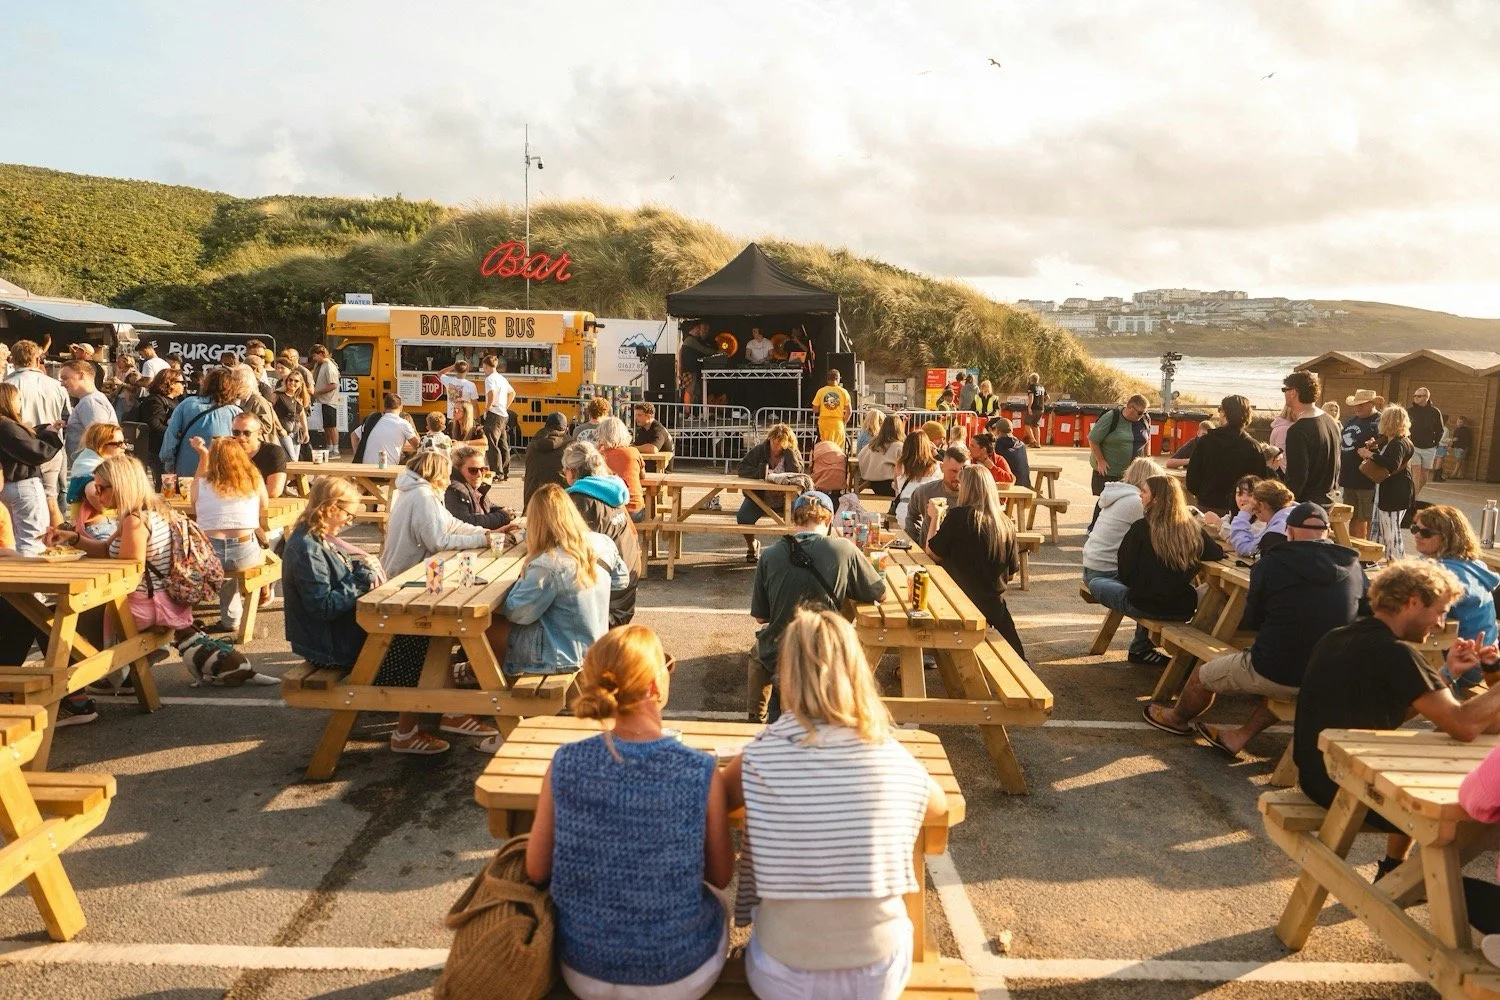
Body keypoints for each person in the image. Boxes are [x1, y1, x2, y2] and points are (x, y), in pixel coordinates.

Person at [726, 609, 947, 999]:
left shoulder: (762, 756)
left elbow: (719, 794)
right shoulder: (888, 754)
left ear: (787, 674)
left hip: (783, 975)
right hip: (875, 976)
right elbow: (938, 807)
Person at [525, 625, 732, 1000]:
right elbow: (720, 875)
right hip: (679, 974)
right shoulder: (699, 769)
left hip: (584, 969)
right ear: (655, 685)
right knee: (721, 902)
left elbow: (537, 870)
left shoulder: (565, 762)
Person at [1294, 560, 1500, 881]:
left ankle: (1392, 867)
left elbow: (1388, 716)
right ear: (1413, 602)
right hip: (1345, 787)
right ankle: (1408, 886)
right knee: (1478, 812)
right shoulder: (1396, 653)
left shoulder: (1339, 636)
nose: (1441, 623)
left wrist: (1446, 675)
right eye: (1440, 611)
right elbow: (1464, 725)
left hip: (1316, 773)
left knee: (1434, 740)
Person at [1145, 502, 1362, 751]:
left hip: (1277, 669)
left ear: (1288, 531)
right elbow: (1364, 610)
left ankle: (1177, 718)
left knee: (1203, 674)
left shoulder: (1273, 563)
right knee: (1288, 674)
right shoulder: (1353, 566)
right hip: (1328, 673)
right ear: (1326, 533)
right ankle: (1239, 737)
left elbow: (1254, 618)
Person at [55, 455, 251, 694]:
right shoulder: (153, 511)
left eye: (100, 487)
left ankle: (83, 688)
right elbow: (108, 550)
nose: (95, 493)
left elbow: (128, 574)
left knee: (67, 618)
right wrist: (74, 538)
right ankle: (115, 677)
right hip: (166, 599)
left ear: (120, 487)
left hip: (144, 607)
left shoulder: (134, 522)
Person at [282, 477, 445, 755]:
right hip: (328, 645)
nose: (349, 520)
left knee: (422, 638)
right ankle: (406, 733)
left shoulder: (313, 537)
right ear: (331, 508)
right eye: (348, 514)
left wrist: (358, 569)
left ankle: (438, 709)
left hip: (330, 635)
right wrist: (360, 577)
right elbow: (323, 607)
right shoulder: (307, 548)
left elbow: (331, 586)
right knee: (417, 643)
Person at [382, 451, 504, 751]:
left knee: (442, 636)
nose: (449, 478)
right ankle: (452, 712)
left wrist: (487, 532)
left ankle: (453, 711)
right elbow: (439, 540)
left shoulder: (420, 493)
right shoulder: (422, 495)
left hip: (419, 574)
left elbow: (451, 525)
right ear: (438, 472)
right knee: (440, 633)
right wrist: (484, 539)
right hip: (410, 579)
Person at [747, 492, 885, 722]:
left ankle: (755, 718)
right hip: (824, 649)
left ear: (794, 520)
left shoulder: (769, 555)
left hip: (779, 649)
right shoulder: (844, 549)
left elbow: (761, 617)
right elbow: (880, 593)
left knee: (758, 653)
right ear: (830, 520)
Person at [496, 484, 630, 693]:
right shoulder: (602, 542)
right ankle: (479, 674)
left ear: (536, 523)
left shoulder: (546, 564)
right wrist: (585, 587)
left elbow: (517, 612)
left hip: (559, 656)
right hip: (595, 642)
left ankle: (489, 686)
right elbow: (621, 580)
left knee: (490, 625)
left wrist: (521, 581)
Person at [1088, 475, 1225, 667]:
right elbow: (1216, 552)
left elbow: (1126, 572)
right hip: (1181, 607)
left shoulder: (1141, 528)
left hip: (1144, 604)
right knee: (1152, 588)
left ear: (1156, 499)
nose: (1140, 496)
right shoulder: (1191, 529)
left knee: (1097, 583)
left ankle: (1141, 649)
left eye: (1144, 492)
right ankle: (1140, 648)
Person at [927, 466, 1025, 659]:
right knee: (1017, 656)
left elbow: (932, 553)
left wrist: (935, 518)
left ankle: (927, 653)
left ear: (967, 489)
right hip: (993, 606)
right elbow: (1011, 573)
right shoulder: (1005, 524)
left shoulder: (958, 517)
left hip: (956, 602)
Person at [1411, 506, 1500, 690]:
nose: (1417, 535)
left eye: (1426, 532)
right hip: (1482, 657)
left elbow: (1424, 617)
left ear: (1447, 538)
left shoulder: (1448, 574)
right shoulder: (1468, 564)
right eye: (1415, 529)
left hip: (1469, 665)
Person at [188, 437, 268, 635]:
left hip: (208, 556)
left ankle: (225, 616)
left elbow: (193, 502)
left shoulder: (202, 483)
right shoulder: (253, 480)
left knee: (221, 564)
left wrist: (202, 455)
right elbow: (264, 506)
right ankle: (262, 593)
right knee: (267, 547)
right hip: (244, 553)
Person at [563, 441, 641, 627]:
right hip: (627, 592)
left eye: (564, 469)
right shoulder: (610, 490)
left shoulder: (581, 500)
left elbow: (561, 545)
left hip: (608, 603)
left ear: (572, 471)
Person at [3, 340, 69, 513]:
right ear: (37, 359)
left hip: (20, 450)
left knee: (20, 506)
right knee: (51, 499)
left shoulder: (7, 387)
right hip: (52, 447)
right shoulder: (56, 385)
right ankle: (57, 537)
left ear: (13, 359)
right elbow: (66, 415)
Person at [0, 383, 64, 555]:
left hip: (9, 486)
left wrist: (45, 430)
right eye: (18, 399)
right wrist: (50, 435)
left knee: (13, 541)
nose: (21, 402)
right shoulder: (5, 425)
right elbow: (35, 452)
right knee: (33, 541)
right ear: (9, 401)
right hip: (22, 485)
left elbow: (24, 441)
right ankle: (30, 579)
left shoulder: (7, 425)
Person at [1081, 457, 1164, 587]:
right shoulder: (1136, 502)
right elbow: (1155, 536)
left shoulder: (1118, 494)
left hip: (1091, 567)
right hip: (1107, 572)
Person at [1185, 395, 1267, 515]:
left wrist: (1203, 494)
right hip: (1242, 511)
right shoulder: (1252, 446)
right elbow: (1260, 483)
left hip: (1207, 507)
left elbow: (1192, 480)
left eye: (1220, 409)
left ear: (1225, 413)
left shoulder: (1206, 441)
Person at [736, 423, 803, 562]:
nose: (776, 446)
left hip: (787, 498)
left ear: (787, 443)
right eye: (774, 441)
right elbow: (742, 469)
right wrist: (761, 473)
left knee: (799, 518)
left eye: (780, 443)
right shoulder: (760, 450)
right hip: (760, 497)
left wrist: (789, 453)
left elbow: (798, 474)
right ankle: (752, 546)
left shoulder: (792, 453)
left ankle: (791, 551)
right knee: (743, 517)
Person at [160, 367, 242, 479]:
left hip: (187, 468)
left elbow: (171, 434)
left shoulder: (187, 404)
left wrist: (169, 462)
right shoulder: (235, 412)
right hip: (222, 470)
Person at [1360, 403, 1414, 560]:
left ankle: (1397, 564)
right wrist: (1374, 451)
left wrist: (1369, 455)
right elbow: (1388, 461)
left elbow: (1391, 464)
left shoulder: (1398, 442)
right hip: (1392, 490)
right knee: (1385, 531)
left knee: (1391, 534)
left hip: (1395, 492)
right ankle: (1382, 561)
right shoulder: (1395, 441)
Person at [1281, 370, 1340, 507]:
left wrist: (1284, 505)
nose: (1284, 394)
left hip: (1305, 506)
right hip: (1327, 500)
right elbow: (1337, 464)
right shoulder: (1331, 422)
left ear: (1293, 392)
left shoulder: (1298, 430)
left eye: (1285, 389)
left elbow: (1297, 476)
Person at [1209, 476, 1295, 556]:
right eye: (1239, 494)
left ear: (1261, 505)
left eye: (1253, 504)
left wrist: (1244, 514)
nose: (1250, 507)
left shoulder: (1277, 529)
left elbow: (1244, 549)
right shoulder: (1290, 515)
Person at [1338, 388, 1383, 539]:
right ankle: (1356, 551)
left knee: (1368, 518)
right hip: (1349, 477)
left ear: (1372, 404)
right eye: (1356, 405)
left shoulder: (1379, 422)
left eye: (1361, 404)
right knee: (1353, 517)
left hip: (1367, 480)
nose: (1357, 408)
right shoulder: (1351, 420)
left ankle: (1369, 553)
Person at [1087, 393, 1150, 495]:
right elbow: (1093, 439)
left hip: (1133, 474)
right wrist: (1100, 460)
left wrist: (1147, 459)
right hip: (1110, 473)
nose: (1143, 415)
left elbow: (1147, 439)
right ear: (1130, 408)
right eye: (1140, 413)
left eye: (1145, 412)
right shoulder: (1111, 417)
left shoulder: (1144, 419)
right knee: (1107, 505)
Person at [59, 360, 119, 464]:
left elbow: (100, 440)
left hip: (92, 469)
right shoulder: (89, 401)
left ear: (81, 375)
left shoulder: (90, 403)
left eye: (65, 378)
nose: (62, 384)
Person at [904, 446, 967, 544]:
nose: (958, 477)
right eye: (953, 471)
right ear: (942, 468)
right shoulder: (925, 492)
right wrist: (916, 542)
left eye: (963, 472)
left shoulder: (972, 496)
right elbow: (912, 516)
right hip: (927, 555)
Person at [444, 445, 515, 530]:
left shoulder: (474, 487)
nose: (479, 475)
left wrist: (506, 511)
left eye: (483, 470)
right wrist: (502, 516)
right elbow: (466, 523)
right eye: (473, 470)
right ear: (458, 469)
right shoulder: (455, 490)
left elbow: (488, 506)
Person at [135, 368, 183, 484]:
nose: (184, 385)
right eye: (181, 382)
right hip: (158, 451)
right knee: (166, 485)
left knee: (170, 484)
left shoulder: (174, 401)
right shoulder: (155, 401)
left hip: (168, 450)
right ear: (170, 383)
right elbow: (154, 425)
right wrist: (175, 434)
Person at [596, 417, 646, 521]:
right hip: (635, 510)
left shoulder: (599, 457)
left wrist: (596, 449)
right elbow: (642, 476)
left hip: (610, 511)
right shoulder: (633, 452)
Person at [351, 393, 419, 465]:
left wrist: (357, 455)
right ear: (401, 407)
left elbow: (353, 435)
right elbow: (418, 446)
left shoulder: (372, 419)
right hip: (387, 468)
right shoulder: (403, 424)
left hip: (365, 467)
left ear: (384, 407)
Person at [889, 431, 939, 529]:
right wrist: (936, 453)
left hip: (904, 509)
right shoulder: (935, 466)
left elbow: (897, 488)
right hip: (927, 510)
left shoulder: (900, 464)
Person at [231, 413, 287, 499]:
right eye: (236, 432)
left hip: (268, 506)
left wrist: (236, 496)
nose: (241, 437)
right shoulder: (226, 452)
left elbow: (274, 491)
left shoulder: (273, 452)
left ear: (259, 433)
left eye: (247, 433)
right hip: (233, 505)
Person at [524, 411, 572, 507]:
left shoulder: (532, 444)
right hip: (561, 499)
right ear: (566, 429)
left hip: (532, 500)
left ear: (546, 426)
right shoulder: (570, 445)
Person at [480, 355, 515, 480]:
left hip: (494, 413)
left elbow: (491, 392)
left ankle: (496, 472)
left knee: (492, 443)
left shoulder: (489, 379)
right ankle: (505, 471)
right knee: (502, 444)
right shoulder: (502, 378)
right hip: (503, 414)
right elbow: (512, 392)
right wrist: (505, 406)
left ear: (485, 365)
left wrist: (488, 407)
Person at [1408, 386, 1444, 497]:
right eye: (1415, 396)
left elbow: (1440, 429)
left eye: (1419, 396)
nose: (1416, 398)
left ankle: (1415, 494)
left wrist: (1435, 443)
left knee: (1424, 476)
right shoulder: (1409, 411)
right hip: (1413, 446)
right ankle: (1412, 498)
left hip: (1429, 447)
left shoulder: (1435, 412)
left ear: (1426, 397)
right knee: (1416, 472)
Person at [856, 414, 904, 497]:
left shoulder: (871, 445)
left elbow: (859, 458)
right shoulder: (899, 447)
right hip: (892, 485)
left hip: (874, 484)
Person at [308, 344, 341, 454]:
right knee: (326, 426)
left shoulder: (329, 366)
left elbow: (333, 385)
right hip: (322, 401)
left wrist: (317, 392)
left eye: (315, 356)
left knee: (332, 426)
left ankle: (335, 449)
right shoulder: (321, 365)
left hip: (329, 401)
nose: (314, 359)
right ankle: (329, 446)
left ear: (321, 354)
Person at [272, 367, 311, 461]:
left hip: (296, 433)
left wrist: (306, 431)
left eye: (296, 381)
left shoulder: (299, 397)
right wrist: (279, 428)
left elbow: (301, 414)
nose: (292, 383)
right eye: (290, 380)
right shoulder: (278, 395)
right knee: (292, 460)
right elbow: (270, 411)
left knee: (295, 461)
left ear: (301, 383)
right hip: (283, 432)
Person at [988, 416, 1031, 491]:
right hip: (1025, 483)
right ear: (1012, 430)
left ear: (997, 431)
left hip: (1009, 485)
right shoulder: (1021, 444)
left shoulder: (998, 445)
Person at [815, 370, 852, 450]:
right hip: (838, 424)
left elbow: (815, 409)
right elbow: (849, 412)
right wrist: (843, 422)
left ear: (827, 379)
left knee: (825, 448)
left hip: (824, 423)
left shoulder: (820, 391)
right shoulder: (844, 392)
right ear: (837, 379)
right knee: (837, 450)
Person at [810, 434, 847, 500]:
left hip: (822, 478)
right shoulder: (838, 454)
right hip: (838, 476)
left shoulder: (818, 452)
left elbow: (811, 465)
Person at [1023, 372, 1048, 447]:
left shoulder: (1031, 386)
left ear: (1031, 379)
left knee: (1027, 424)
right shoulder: (1042, 387)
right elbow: (1047, 396)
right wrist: (1042, 402)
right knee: (1036, 425)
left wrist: (1029, 407)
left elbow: (1031, 397)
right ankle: (1038, 443)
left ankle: (1033, 440)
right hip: (1041, 408)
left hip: (1034, 408)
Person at [1451, 415, 1474, 479]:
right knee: (1459, 460)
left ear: (1464, 423)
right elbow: (1454, 438)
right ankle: (1460, 474)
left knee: (1459, 460)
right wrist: (1453, 445)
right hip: (1456, 447)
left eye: (1460, 422)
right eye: (1458, 421)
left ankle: (1454, 474)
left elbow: (1467, 440)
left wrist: (1464, 448)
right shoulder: (1456, 430)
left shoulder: (1466, 431)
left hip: (1462, 448)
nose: (1459, 423)